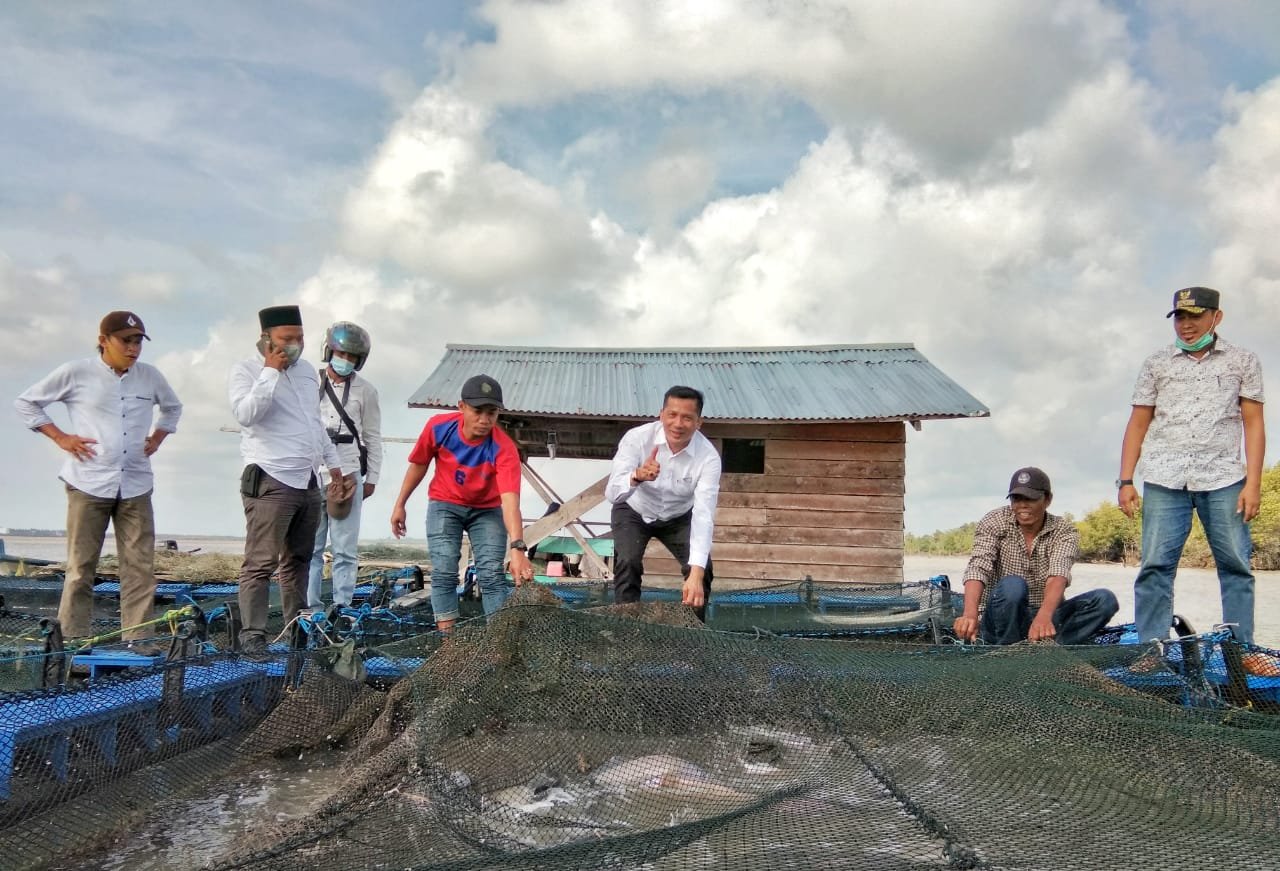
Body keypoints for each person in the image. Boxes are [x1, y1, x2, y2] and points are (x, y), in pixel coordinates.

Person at [15, 311, 182, 652]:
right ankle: (73, 644)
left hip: (136, 483)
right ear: (104, 340)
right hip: (88, 482)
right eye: (126, 341)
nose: (133, 348)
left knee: (140, 567)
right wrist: (61, 437)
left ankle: (139, 642)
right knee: (80, 568)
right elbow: (27, 402)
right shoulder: (76, 372)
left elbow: (173, 408)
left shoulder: (150, 376)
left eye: (138, 341)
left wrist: (157, 438)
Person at [1118, 287, 1265, 644]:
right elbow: (1137, 423)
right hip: (1164, 478)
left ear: (1217, 317)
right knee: (1154, 567)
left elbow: (1254, 424)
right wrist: (1125, 480)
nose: (1186, 325)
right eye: (1180, 317)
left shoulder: (1243, 361)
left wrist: (1253, 484)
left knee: (1236, 566)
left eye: (1195, 316)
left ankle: (1241, 648)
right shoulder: (1156, 363)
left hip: (1224, 478)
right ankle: (1152, 649)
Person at [229, 305, 345, 657]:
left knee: (299, 559)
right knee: (261, 562)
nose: (295, 344)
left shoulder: (308, 372)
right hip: (271, 478)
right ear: (266, 339)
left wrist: (334, 465)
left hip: (307, 479)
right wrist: (270, 372)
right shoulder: (247, 370)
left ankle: (296, 630)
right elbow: (246, 415)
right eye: (286, 338)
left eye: (300, 337)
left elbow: (313, 422)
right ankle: (253, 636)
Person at [390, 374, 534, 632]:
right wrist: (400, 504)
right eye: (478, 411)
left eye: (492, 413)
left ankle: (499, 642)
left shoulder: (504, 448)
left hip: (487, 510)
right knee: (445, 570)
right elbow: (419, 465)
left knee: (491, 575)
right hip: (445, 503)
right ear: (462, 407)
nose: (484, 419)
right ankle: (449, 644)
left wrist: (517, 549)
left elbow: (510, 502)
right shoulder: (438, 427)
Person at [954, 467, 1118, 645]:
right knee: (1013, 586)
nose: (1023, 505)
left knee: (1104, 600)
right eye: (1017, 499)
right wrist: (969, 614)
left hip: (1044, 616)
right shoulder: (995, 521)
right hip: (1001, 617)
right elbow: (978, 567)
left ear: (1047, 500)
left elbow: (1058, 574)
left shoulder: (1064, 531)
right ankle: (1008, 650)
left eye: (1030, 499)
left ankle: (1046, 646)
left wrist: (1044, 617)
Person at [605, 385, 722, 621]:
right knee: (628, 562)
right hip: (633, 509)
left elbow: (703, 514)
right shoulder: (637, 438)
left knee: (702, 569)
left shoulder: (708, 457)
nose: (678, 424)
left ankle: (693, 632)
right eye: (672, 415)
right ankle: (627, 630)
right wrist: (636, 476)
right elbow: (612, 494)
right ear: (661, 415)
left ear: (698, 422)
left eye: (687, 418)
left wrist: (696, 574)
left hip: (680, 516)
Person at [306, 321, 383, 610]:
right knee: (310, 548)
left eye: (352, 356)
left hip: (348, 475)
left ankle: (342, 608)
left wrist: (372, 477)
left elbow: (372, 437)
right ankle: (310, 606)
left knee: (344, 549)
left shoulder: (366, 391)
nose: (345, 360)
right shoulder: (309, 383)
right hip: (311, 475)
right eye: (341, 354)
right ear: (329, 351)